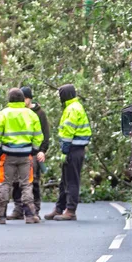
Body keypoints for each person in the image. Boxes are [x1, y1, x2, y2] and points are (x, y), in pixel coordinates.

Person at [0, 87, 45, 224]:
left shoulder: (3, 114)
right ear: (22, 99)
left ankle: (1, 216)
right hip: (26, 155)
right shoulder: (31, 114)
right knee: (26, 184)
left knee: (5, 183)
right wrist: (34, 150)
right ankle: (30, 215)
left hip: (7, 155)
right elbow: (38, 135)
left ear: (9, 99)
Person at [45, 84, 90, 221]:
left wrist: (64, 150)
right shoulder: (73, 107)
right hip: (73, 148)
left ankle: (70, 210)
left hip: (73, 149)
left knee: (71, 180)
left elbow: (68, 132)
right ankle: (59, 208)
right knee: (64, 181)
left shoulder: (72, 109)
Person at [8, 86, 50, 220]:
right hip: (17, 151)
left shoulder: (39, 113)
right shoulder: (16, 112)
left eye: (25, 98)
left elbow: (44, 133)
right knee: (16, 181)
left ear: (29, 99)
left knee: (34, 181)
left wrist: (42, 151)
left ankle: (35, 209)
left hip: (33, 152)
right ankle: (18, 208)